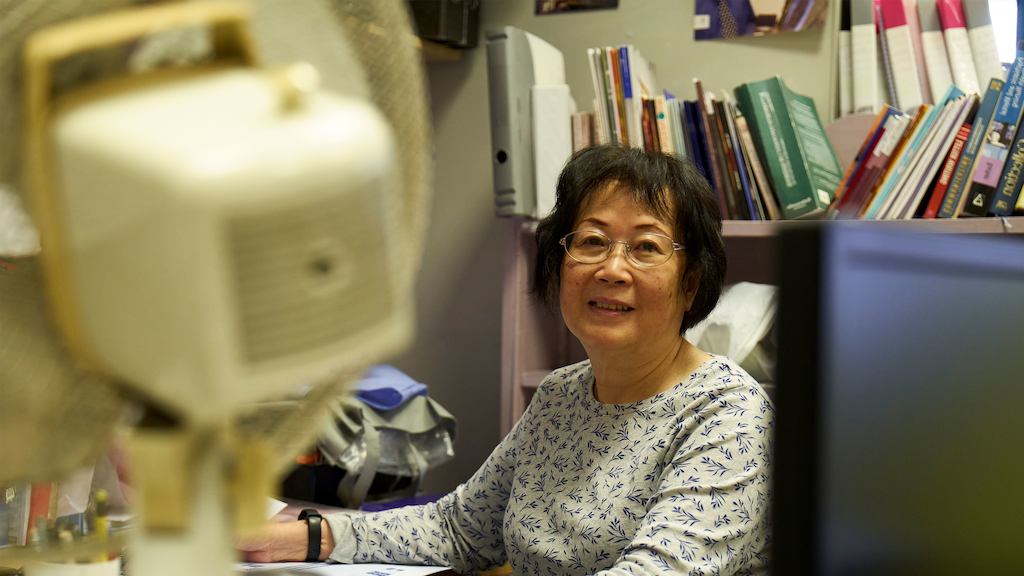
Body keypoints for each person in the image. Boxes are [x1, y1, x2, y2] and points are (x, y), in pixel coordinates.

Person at [241, 146, 773, 575]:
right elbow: (460, 528)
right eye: (591, 240)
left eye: (646, 247)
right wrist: (309, 536)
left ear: (692, 284)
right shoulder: (563, 395)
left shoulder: (728, 414)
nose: (612, 268)